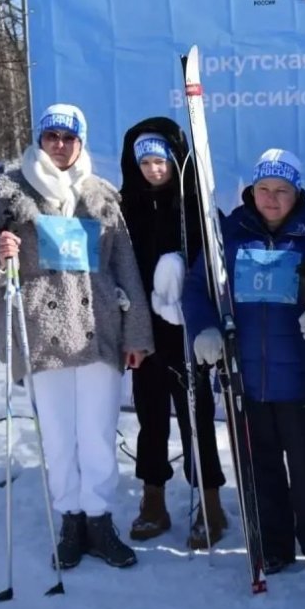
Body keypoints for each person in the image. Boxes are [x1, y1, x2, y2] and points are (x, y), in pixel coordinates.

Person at [0, 103, 153, 570]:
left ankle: (99, 520)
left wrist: (138, 334)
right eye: (52, 137)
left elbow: (124, 266)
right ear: (41, 140)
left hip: (99, 332)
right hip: (41, 330)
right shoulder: (11, 194)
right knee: (57, 436)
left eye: (69, 138)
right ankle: (70, 519)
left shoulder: (102, 196)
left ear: (81, 142)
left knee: (96, 434)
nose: (61, 145)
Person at [182, 148, 305, 578]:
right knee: (261, 466)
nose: (271, 199)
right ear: (251, 192)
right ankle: (273, 545)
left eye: (281, 191)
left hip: (300, 379)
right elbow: (196, 288)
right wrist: (204, 328)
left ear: (297, 194)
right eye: (263, 190)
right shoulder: (229, 235)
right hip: (246, 378)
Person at [118, 118, 227, 549]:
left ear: (175, 161)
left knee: (196, 418)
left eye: (161, 160)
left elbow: (217, 270)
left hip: (187, 333)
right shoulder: (127, 210)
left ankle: (211, 502)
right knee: (150, 419)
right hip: (145, 334)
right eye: (145, 161)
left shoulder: (196, 208)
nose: (153, 169)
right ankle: (153, 501)